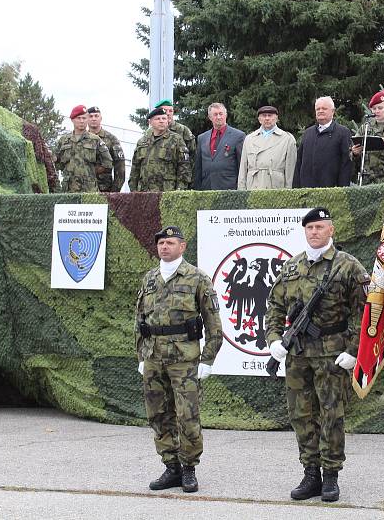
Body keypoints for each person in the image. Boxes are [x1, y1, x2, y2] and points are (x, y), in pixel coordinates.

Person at [265, 208, 370, 503]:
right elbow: (274, 306)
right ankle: (310, 473)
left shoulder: (347, 266)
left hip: (332, 354)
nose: (314, 232)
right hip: (298, 354)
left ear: (331, 230)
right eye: (310, 227)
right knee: (301, 414)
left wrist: (353, 351)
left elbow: (366, 313)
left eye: (320, 227)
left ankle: (331, 476)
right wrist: (274, 339)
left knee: (331, 414)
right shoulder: (291, 266)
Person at [135, 225, 223, 494]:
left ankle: (188, 468)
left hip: (184, 361)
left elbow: (214, 324)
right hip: (153, 358)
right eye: (161, 243)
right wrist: (141, 354)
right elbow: (139, 320)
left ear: (182, 246)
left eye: (170, 242)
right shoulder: (149, 279)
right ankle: (170, 467)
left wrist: (207, 359)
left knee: (188, 417)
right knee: (158, 415)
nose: (164, 247)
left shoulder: (197, 279)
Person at [293, 97, 353, 188]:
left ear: (332, 111)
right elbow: (299, 162)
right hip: (306, 191)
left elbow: (346, 163)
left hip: (331, 191)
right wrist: (296, 188)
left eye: (324, 108)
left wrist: (342, 190)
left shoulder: (343, 132)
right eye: (318, 109)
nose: (320, 111)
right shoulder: (308, 133)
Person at [51, 105, 113, 193]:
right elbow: (55, 163)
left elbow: (108, 162)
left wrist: (91, 172)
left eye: (84, 118)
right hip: (68, 189)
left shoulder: (95, 140)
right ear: (72, 120)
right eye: (78, 118)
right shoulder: (64, 141)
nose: (81, 121)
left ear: (87, 119)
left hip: (89, 189)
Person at [129, 108, 192, 191]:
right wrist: (133, 190)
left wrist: (179, 190)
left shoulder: (176, 140)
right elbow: (135, 168)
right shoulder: (142, 142)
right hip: (144, 193)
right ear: (150, 122)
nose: (161, 121)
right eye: (157, 119)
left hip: (167, 192)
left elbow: (184, 167)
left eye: (164, 118)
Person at [237, 105, 296, 189]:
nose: (267, 118)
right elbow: (243, 169)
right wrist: (241, 190)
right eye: (264, 116)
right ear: (259, 119)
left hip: (276, 187)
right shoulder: (249, 139)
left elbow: (290, 170)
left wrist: (288, 191)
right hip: (254, 186)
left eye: (270, 115)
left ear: (276, 118)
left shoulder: (287, 139)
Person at [194, 102, 245, 190]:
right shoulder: (202, 138)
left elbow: (241, 165)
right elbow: (198, 167)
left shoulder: (238, 136)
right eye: (215, 114)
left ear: (226, 115)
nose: (218, 117)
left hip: (229, 188)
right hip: (207, 188)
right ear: (210, 117)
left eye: (221, 114)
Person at [86, 106, 126, 192]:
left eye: (96, 116)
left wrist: (115, 192)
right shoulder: (82, 139)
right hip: (85, 189)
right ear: (86, 119)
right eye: (91, 116)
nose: (93, 119)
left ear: (101, 118)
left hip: (105, 189)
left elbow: (120, 168)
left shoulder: (111, 139)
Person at [152, 99, 197, 164]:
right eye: (165, 111)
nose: (168, 113)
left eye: (170, 111)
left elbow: (193, 155)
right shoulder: (150, 131)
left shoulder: (183, 130)